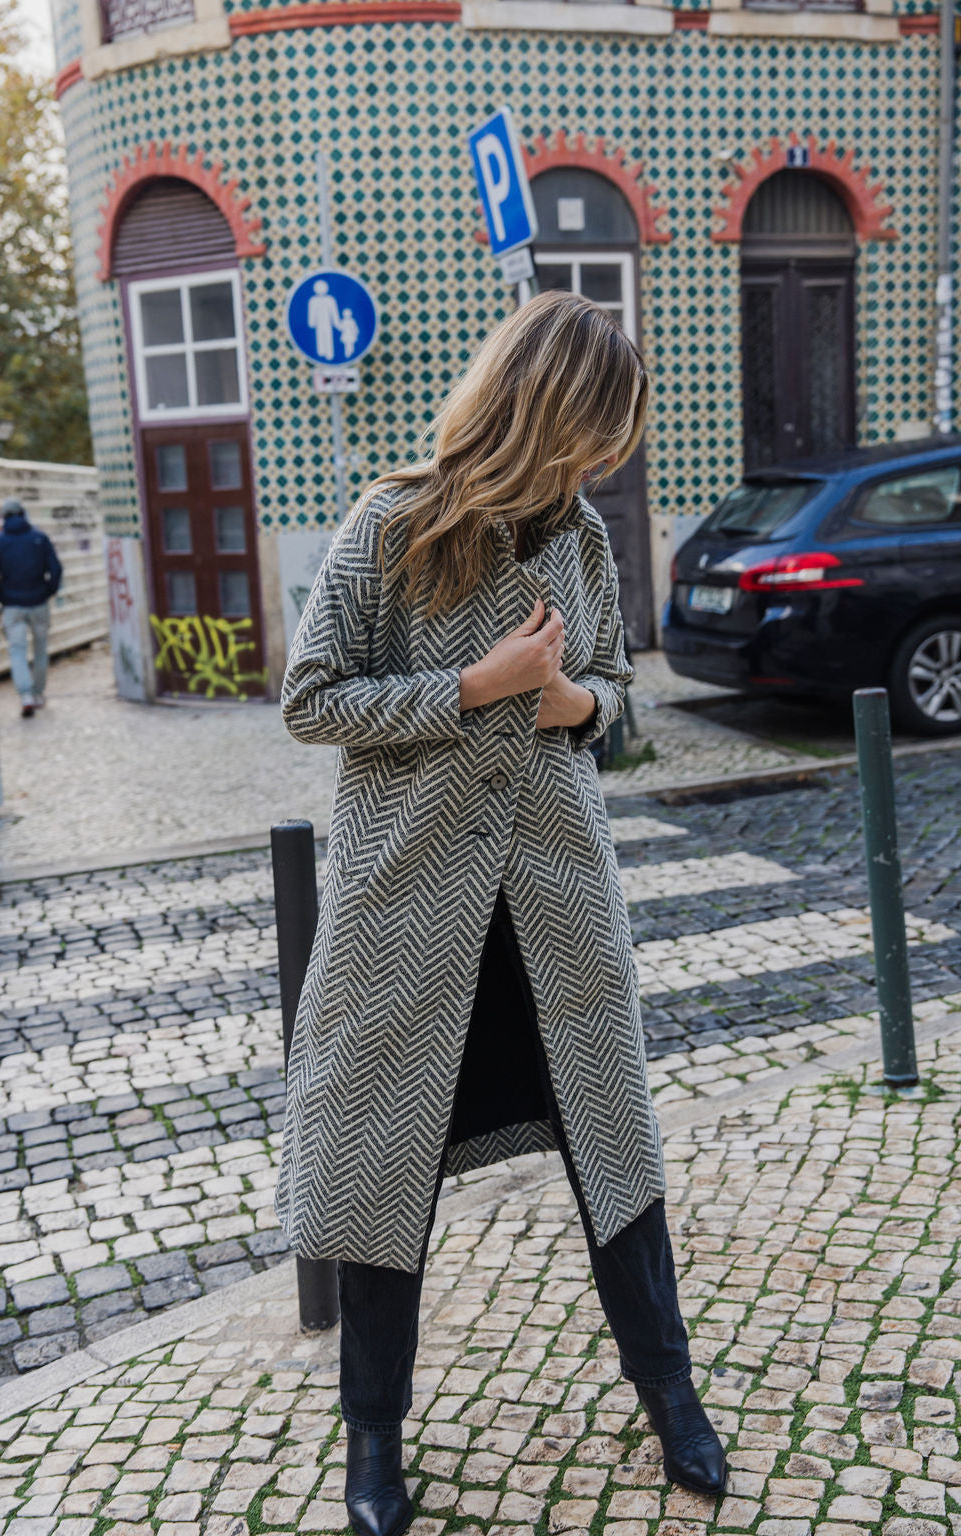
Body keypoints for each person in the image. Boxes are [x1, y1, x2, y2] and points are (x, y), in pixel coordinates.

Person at [275, 290, 727, 1536]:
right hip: (409, 910)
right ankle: (373, 1444)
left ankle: (671, 1396)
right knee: (380, 1176)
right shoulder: (393, 525)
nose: (604, 462)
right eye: (595, 433)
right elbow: (309, 700)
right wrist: (476, 686)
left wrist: (562, 704)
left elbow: (616, 700)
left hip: (553, 902)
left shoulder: (583, 537)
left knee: (616, 1155)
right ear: (544, 407)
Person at [0, 497, 62, 718]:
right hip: (38, 603)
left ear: (4, 517)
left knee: (17, 651)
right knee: (40, 650)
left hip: (13, 605)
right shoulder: (39, 538)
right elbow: (55, 569)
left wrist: (3, 596)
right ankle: (38, 693)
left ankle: (25, 695)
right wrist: (48, 591)